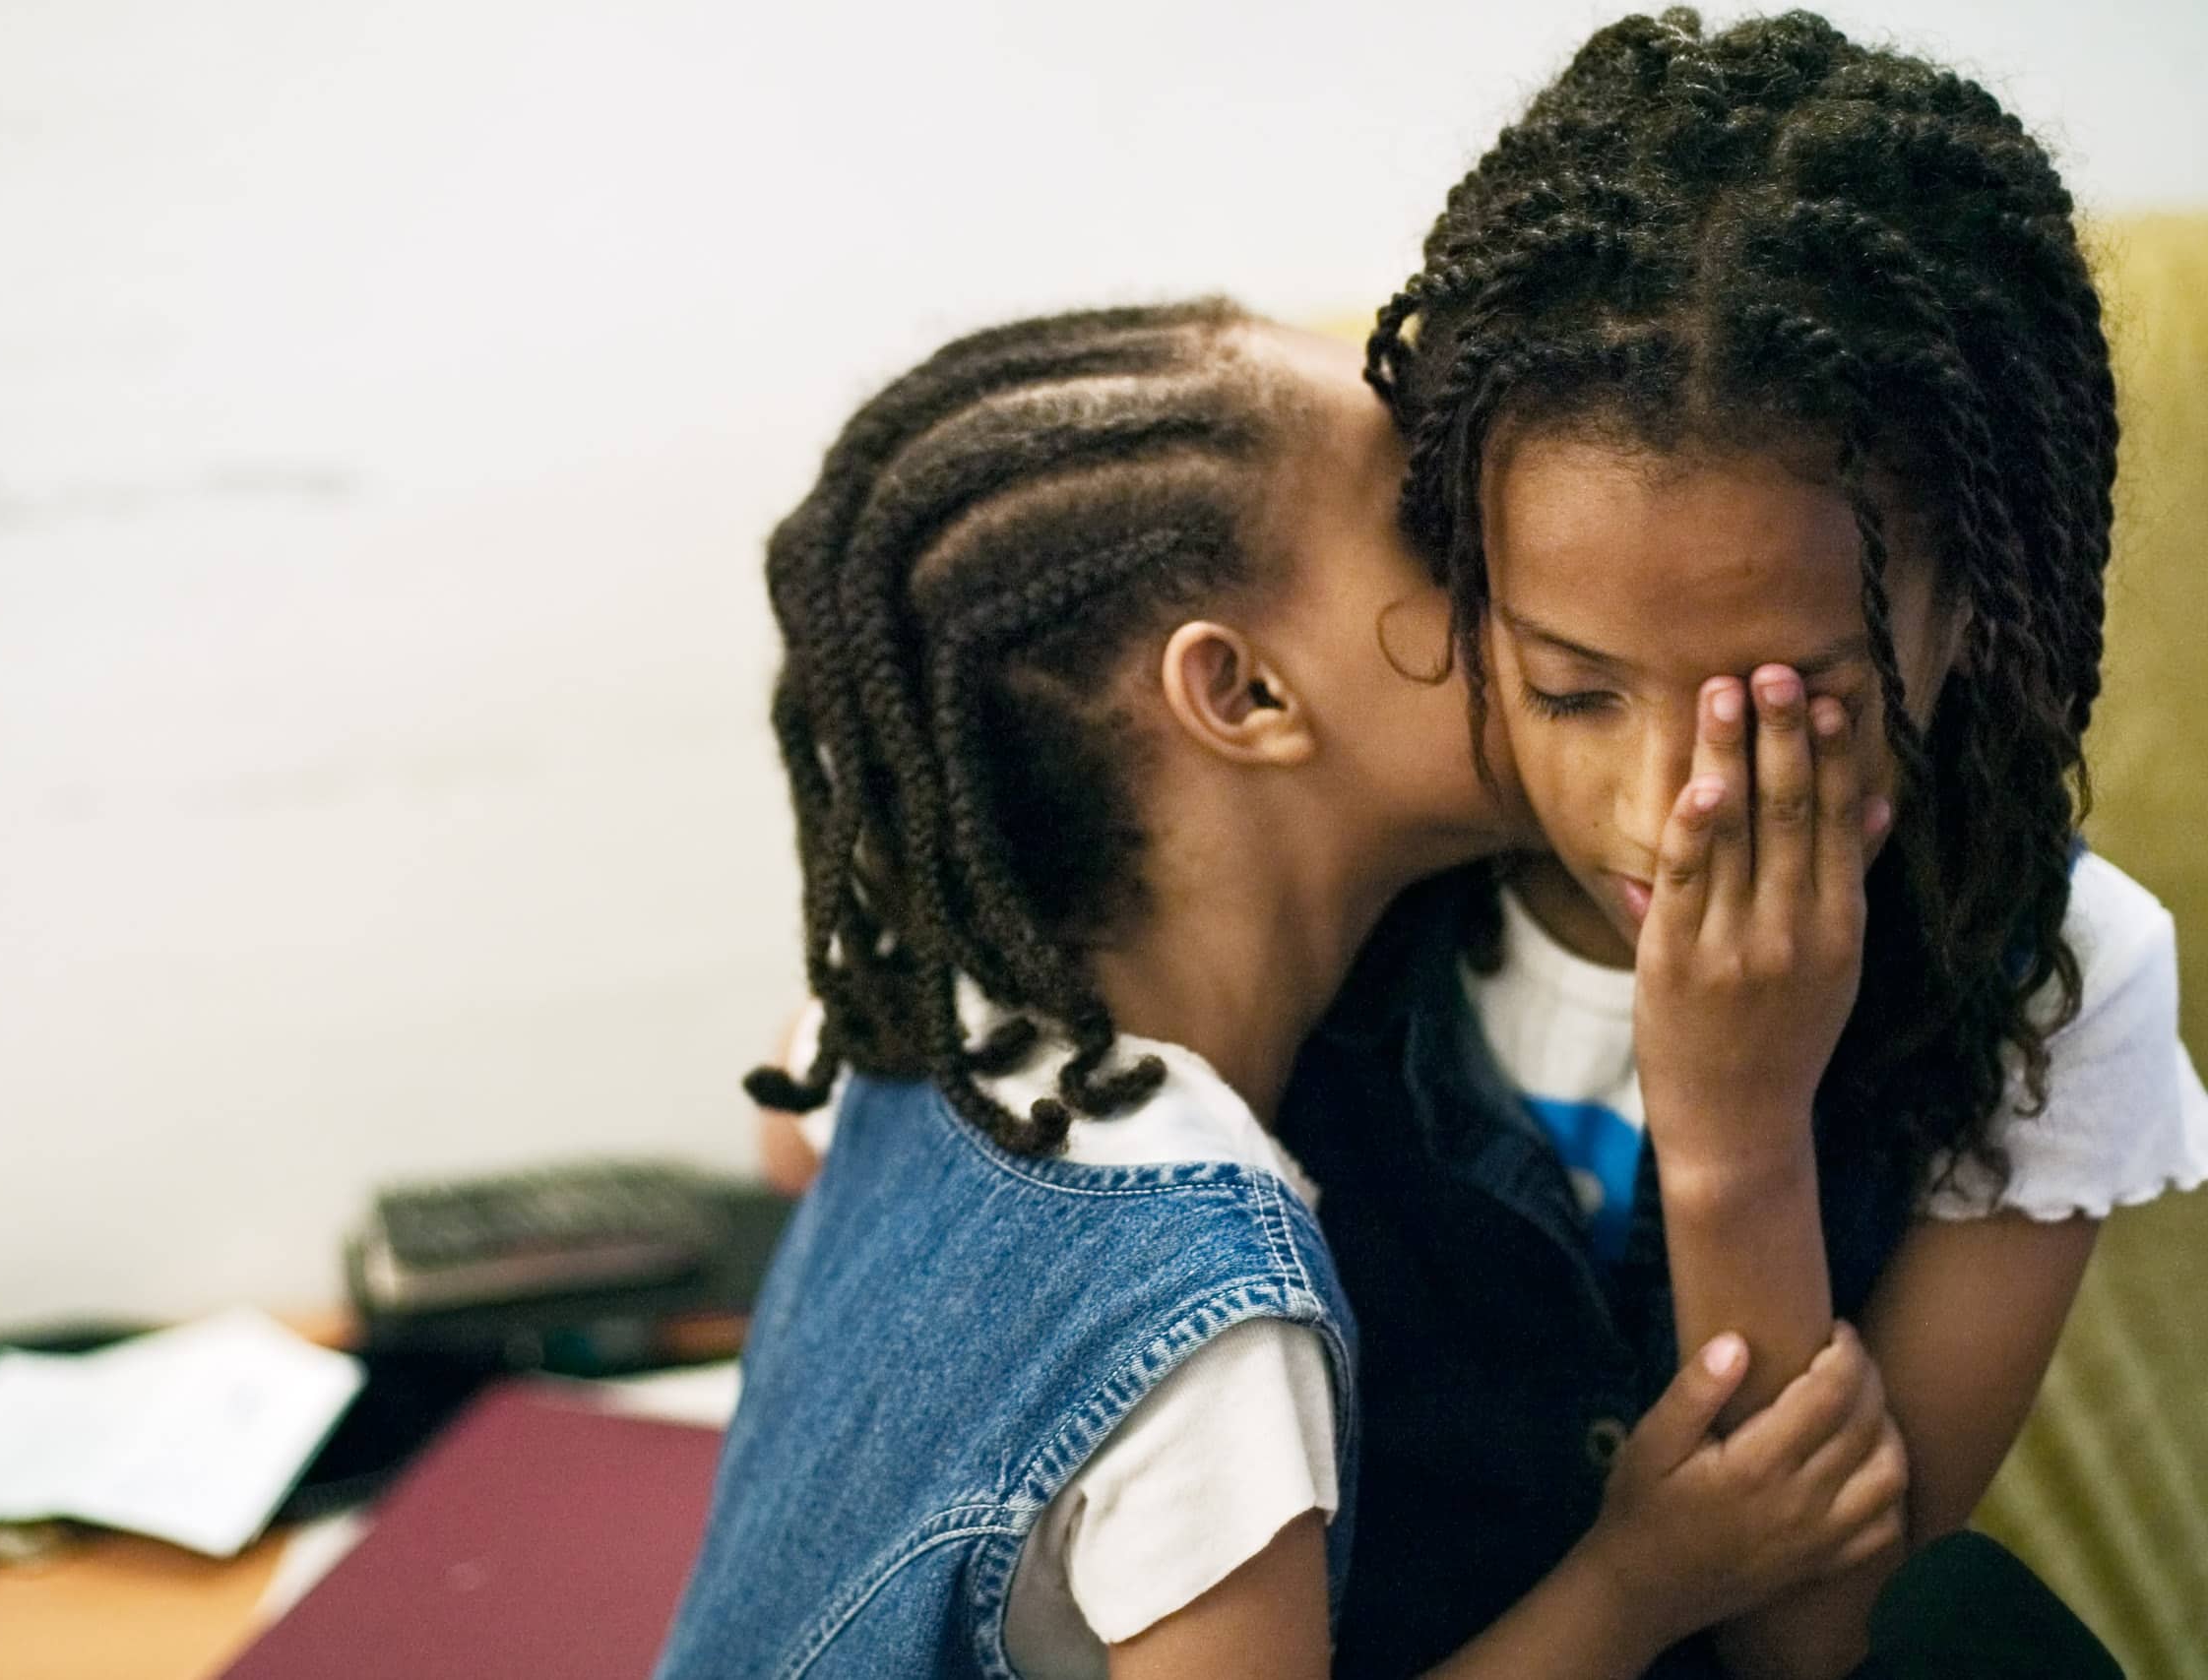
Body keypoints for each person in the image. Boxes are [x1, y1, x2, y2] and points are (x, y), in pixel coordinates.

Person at [662, 301, 1905, 1680]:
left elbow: (791, 1127)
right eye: (1436, 537)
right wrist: (1636, 1583)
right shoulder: (1212, 1328)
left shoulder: (935, 1026)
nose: (1527, 577)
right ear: (1247, 694)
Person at [1281, 9, 2204, 1676]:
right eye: (1573, 692)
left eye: (1791, 711)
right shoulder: (1351, 841)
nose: (1662, 809)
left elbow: (1812, 1638)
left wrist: (1735, 1133)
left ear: (1973, 615)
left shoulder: (2058, 975)